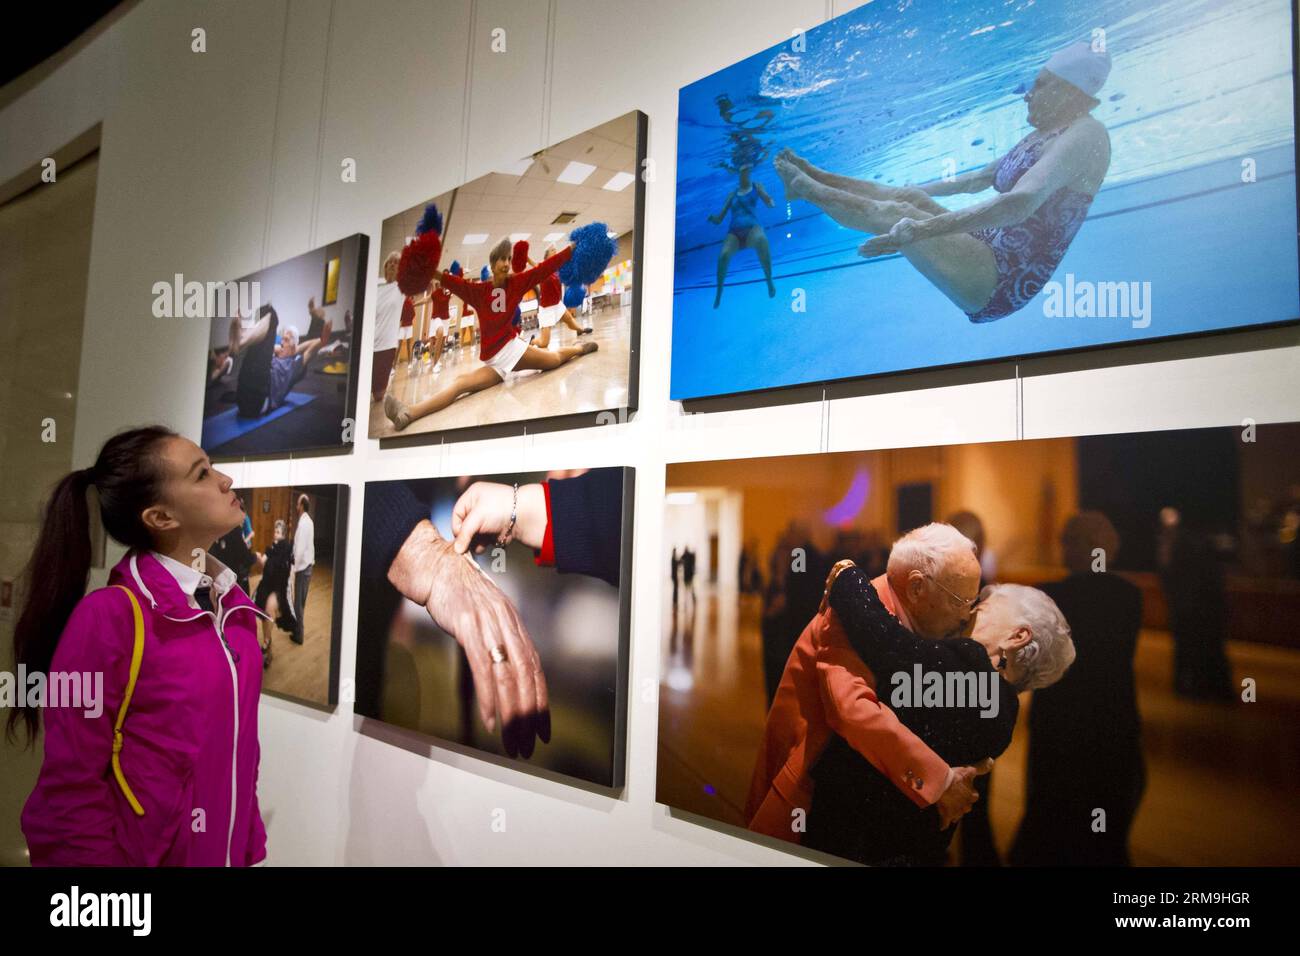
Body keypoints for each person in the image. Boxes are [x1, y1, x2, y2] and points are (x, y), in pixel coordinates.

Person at [12, 426, 269, 866]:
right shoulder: (105, 618)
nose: (225, 480)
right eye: (202, 474)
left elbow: (240, 750)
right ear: (161, 518)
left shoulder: (236, 611)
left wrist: (247, 845)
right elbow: (69, 790)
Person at [774, 40, 1112, 323]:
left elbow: (1019, 203)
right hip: (987, 247)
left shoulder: (1086, 135)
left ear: (1070, 91)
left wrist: (920, 231)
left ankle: (804, 188)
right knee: (908, 201)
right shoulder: (1045, 133)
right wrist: (916, 193)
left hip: (1001, 279)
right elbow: (976, 179)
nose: (1027, 94)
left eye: (1039, 85)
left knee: (896, 215)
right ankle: (816, 176)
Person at [806, 562, 1075, 866]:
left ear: (1018, 636)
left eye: (982, 607)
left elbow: (885, 642)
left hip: (857, 843)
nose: (967, 612)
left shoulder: (971, 667)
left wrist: (847, 575)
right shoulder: (1003, 717)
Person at [745, 523, 992, 846]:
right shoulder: (852, 613)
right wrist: (941, 781)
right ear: (917, 588)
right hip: (806, 797)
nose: (965, 616)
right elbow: (851, 710)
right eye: (961, 600)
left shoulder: (886, 606)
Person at [1011, 512, 1145, 866]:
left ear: (1079, 546)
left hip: (1061, 719)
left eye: (1066, 541)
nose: (1061, 548)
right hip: (1114, 717)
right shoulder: (1130, 597)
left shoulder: (1050, 598)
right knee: (1104, 813)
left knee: (1054, 814)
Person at [381, 238, 599, 431]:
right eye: (501, 259)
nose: (506, 263)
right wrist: (423, 267)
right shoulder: (477, 291)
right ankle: (408, 413)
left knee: (553, 360)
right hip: (494, 359)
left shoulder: (516, 282)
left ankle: (580, 348)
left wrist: (570, 249)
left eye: (508, 258)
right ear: (493, 264)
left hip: (511, 349)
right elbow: (446, 280)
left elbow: (544, 268)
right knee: (460, 385)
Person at [224, 302, 333, 417]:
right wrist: (282, 348)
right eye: (283, 339)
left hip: (259, 402)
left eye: (288, 339)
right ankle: (242, 337)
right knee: (265, 310)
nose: (283, 341)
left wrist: (321, 342)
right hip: (242, 398)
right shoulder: (276, 351)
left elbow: (310, 349)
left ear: (295, 345)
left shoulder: (295, 365)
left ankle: (242, 338)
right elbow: (268, 341)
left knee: (272, 315)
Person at [708, 163, 776, 308]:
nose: (745, 174)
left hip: (752, 229)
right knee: (724, 256)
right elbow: (720, 218)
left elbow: (767, 199)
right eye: (743, 171)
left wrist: (770, 202)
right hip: (734, 233)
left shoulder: (756, 186)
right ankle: (719, 293)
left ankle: (769, 280)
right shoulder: (732, 194)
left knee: (762, 240)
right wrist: (713, 219)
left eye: (747, 171)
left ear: (750, 172)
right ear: (739, 174)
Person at [253, 519, 296, 665]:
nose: (275, 534)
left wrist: (291, 588)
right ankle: (268, 649)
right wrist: (258, 558)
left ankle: (265, 643)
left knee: (270, 608)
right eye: (275, 531)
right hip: (266, 584)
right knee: (265, 618)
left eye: (278, 532)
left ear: (283, 534)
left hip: (278, 587)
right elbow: (263, 563)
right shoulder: (271, 548)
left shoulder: (287, 549)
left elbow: (291, 570)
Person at [372, 251, 403, 402]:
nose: (392, 264)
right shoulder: (375, 285)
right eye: (389, 262)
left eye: (396, 262)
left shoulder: (402, 288)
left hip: (386, 346)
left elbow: (422, 280)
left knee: (378, 395)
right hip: (367, 344)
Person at [291, 493, 314, 646]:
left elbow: (299, 549)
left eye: (298, 503)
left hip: (303, 568)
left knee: (298, 603)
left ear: (302, 505)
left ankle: (299, 635)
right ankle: (297, 630)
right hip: (307, 566)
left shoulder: (304, 523)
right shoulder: (308, 521)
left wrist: (292, 568)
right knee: (301, 602)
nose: (296, 506)